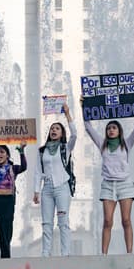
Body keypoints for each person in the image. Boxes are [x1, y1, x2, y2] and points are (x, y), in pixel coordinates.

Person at [83, 97, 134, 255]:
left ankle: (129, 252)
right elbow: (89, 128)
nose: (111, 130)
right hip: (108, 185)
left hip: (125, 184)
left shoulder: (127, 144)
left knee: (126, 220)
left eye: (114, 128)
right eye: (109, 128)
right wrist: (84, 106)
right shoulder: (102, 144)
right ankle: (104, 254)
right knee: (108, 221)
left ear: (119, 131)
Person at [33, 104, 76, 257]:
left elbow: (75, 135)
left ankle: (65, 253)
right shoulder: (42, 151)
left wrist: (67, 113)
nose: (54, 130)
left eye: (57, 128)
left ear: (62, 132)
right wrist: (36, 191)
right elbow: (38, 172)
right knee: (46, 223)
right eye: (52, 128)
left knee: (63, 222)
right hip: (47, 189)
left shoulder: (65, 148)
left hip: (62, 187)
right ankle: (45, 253)